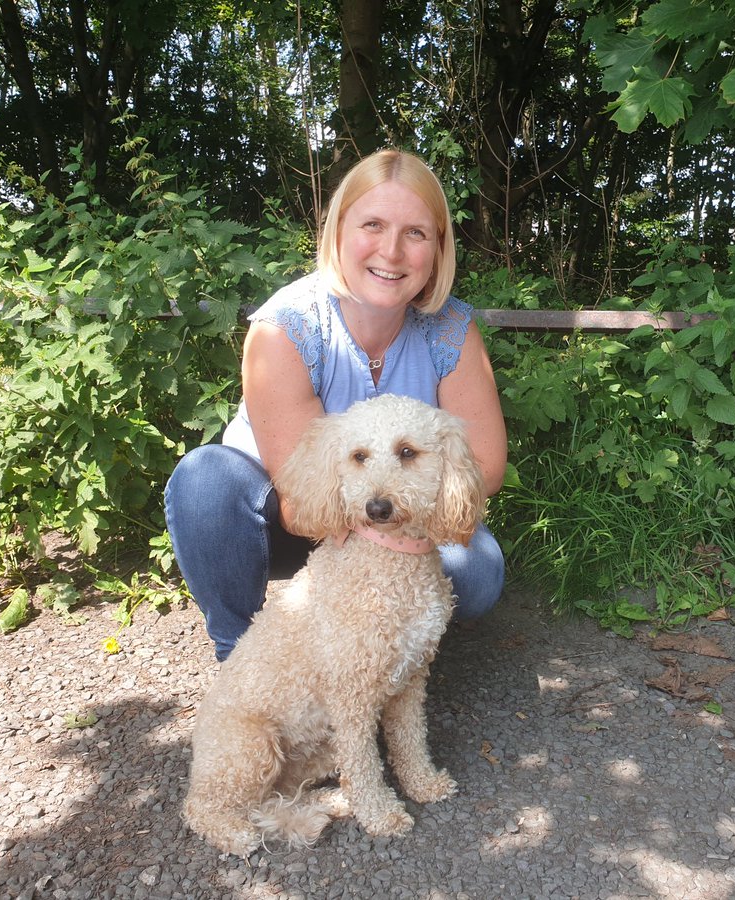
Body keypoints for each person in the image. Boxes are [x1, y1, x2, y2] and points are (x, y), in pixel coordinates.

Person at [164, 149, 508, 661]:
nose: (391, 252)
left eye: (416, 233)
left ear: (438, 248)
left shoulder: (452, 329)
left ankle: (387, 651)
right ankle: (240, 657)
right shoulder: (286, 327)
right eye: (373, 224)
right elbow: (303, 507)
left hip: (394, 517)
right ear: (338, 231)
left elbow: (486, 466)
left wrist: (408, 516)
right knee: (204, 479)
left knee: (476, 573)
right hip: (280, 522)